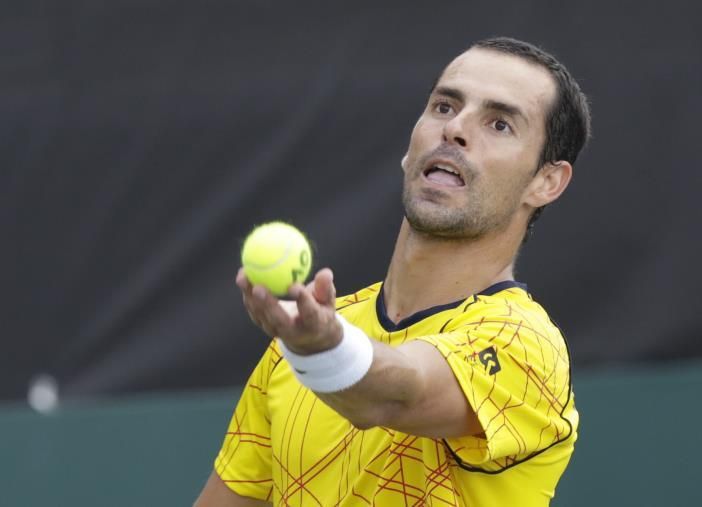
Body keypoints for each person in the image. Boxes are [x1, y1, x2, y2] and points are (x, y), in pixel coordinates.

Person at [195, 36, 591, 507]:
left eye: (499, 124)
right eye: (444, 107)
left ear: (546, 182)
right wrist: (312, 346)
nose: (457, 128)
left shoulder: (528, 347)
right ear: (411, 146)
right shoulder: (294, 350)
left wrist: (321, 348)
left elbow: (396, 395)